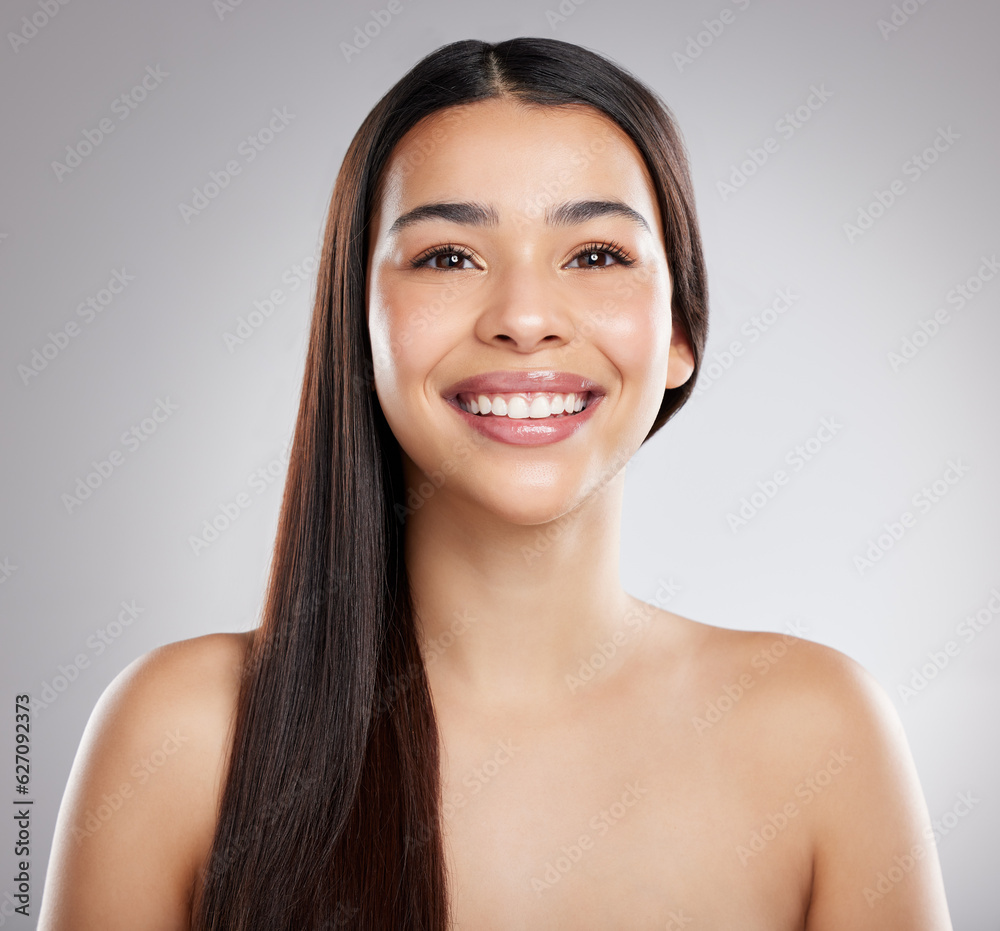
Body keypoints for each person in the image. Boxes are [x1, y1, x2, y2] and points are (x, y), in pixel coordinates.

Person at [38, 37, 953, 930]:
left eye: (596, 255)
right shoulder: (179, 735)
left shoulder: (822, 737)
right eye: (448, 257)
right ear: (357, 328)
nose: (522, 317)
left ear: (680, 333)